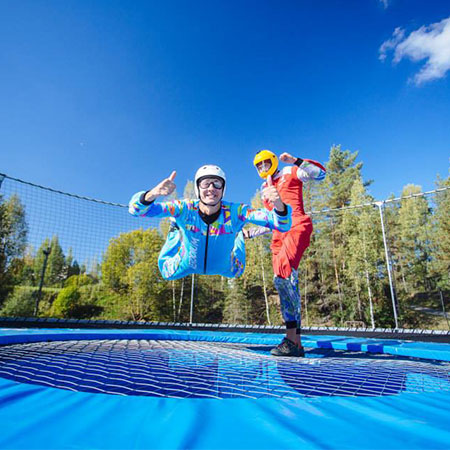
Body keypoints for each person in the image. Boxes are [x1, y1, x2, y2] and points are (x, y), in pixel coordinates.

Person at [128, 164, 291, 280]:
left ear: (223, 189)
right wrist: (153, 194)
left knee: (238, 271)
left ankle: (238, 235)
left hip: (224, 266)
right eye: (205, 184)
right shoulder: (184, 207)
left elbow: (282, 225)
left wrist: (278, 204)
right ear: (198, 189)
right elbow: (135, 210)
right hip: (187, 262)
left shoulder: (237, 211)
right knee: (166, 272)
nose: (211, 188)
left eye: (217, 183)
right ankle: (175, 230)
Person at [247, 150, 326, 357]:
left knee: (284, 273)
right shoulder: (265, 188)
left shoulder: (291, 171)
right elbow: (271, 220)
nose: (263, 168)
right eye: (259, 166)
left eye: (265, 163)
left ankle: (293, 339)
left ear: (273, 161)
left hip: (296, 226)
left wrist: (295, 160)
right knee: (281, 282)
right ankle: (294, 341)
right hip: (278, 236)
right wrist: (251, 233)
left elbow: (320, 174)